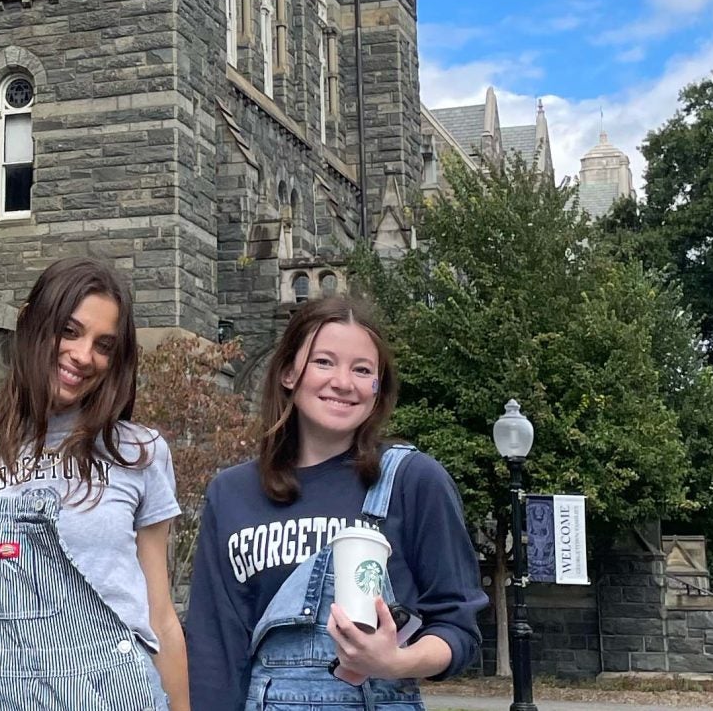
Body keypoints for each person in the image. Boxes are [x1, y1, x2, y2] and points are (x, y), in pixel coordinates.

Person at [0, 257, 188, 711]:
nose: (83, 355)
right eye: (70, 331)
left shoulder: (138, 454)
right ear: (29, 322)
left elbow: (161, 621)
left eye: (104, 345)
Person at [185, 296, 487, 711]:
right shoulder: (231, 492)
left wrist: (395, 661)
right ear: (290, 373)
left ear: (378, 388)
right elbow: (215, 649)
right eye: (324, 362)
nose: (343, 382)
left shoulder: (413, 480)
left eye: (363, 370)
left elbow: (458, 628)